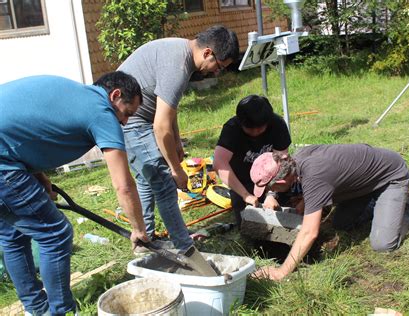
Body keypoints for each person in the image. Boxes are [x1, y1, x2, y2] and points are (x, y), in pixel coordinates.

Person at [0, 72, 148, 315]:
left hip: (7, 156)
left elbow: (22, 131)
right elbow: (124, 185)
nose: (125, 123)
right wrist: (139, 229)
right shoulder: (101, 112)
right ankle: (62, 312)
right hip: (3, 164)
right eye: (127, 113)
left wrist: (40, 177)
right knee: (55, 234)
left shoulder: (75, 95)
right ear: (115, 95)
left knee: (13, 235)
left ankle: (36, 310)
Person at [118, 25, 239, 251]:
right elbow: (161, 126)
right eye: (218, 66)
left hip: (141, 117)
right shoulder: (178, 65)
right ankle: (186, 248)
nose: (216, 72)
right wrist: (176, 168)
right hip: (129, 119)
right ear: (207, 53)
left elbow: (168, 108)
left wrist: (177, 141)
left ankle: (146, 240)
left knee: (147, 179)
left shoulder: (181, 54)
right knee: (163, 181)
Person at [250, 144, 409, 281]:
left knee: (383, 244)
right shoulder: (297, 160)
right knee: (341, 224)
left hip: (391, 176)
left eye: (271, 187)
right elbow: (322, 182)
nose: (270, 191)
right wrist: (304, 201)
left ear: (280, 180)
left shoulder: (314, 174)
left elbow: (309, 232)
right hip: (362, 185)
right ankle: (380, 203)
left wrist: (281, 272)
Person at [213, 95, 291, 226]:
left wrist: (272, 194)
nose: (255, 132)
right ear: (241, 122)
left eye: (260, 128)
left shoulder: (277, 124)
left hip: (270, 181)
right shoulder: (232, 128)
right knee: (245, 224)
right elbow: (219, 163)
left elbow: (282, 162)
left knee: (282, 217)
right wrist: (245, 195)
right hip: (241, 182)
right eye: (249, 129)